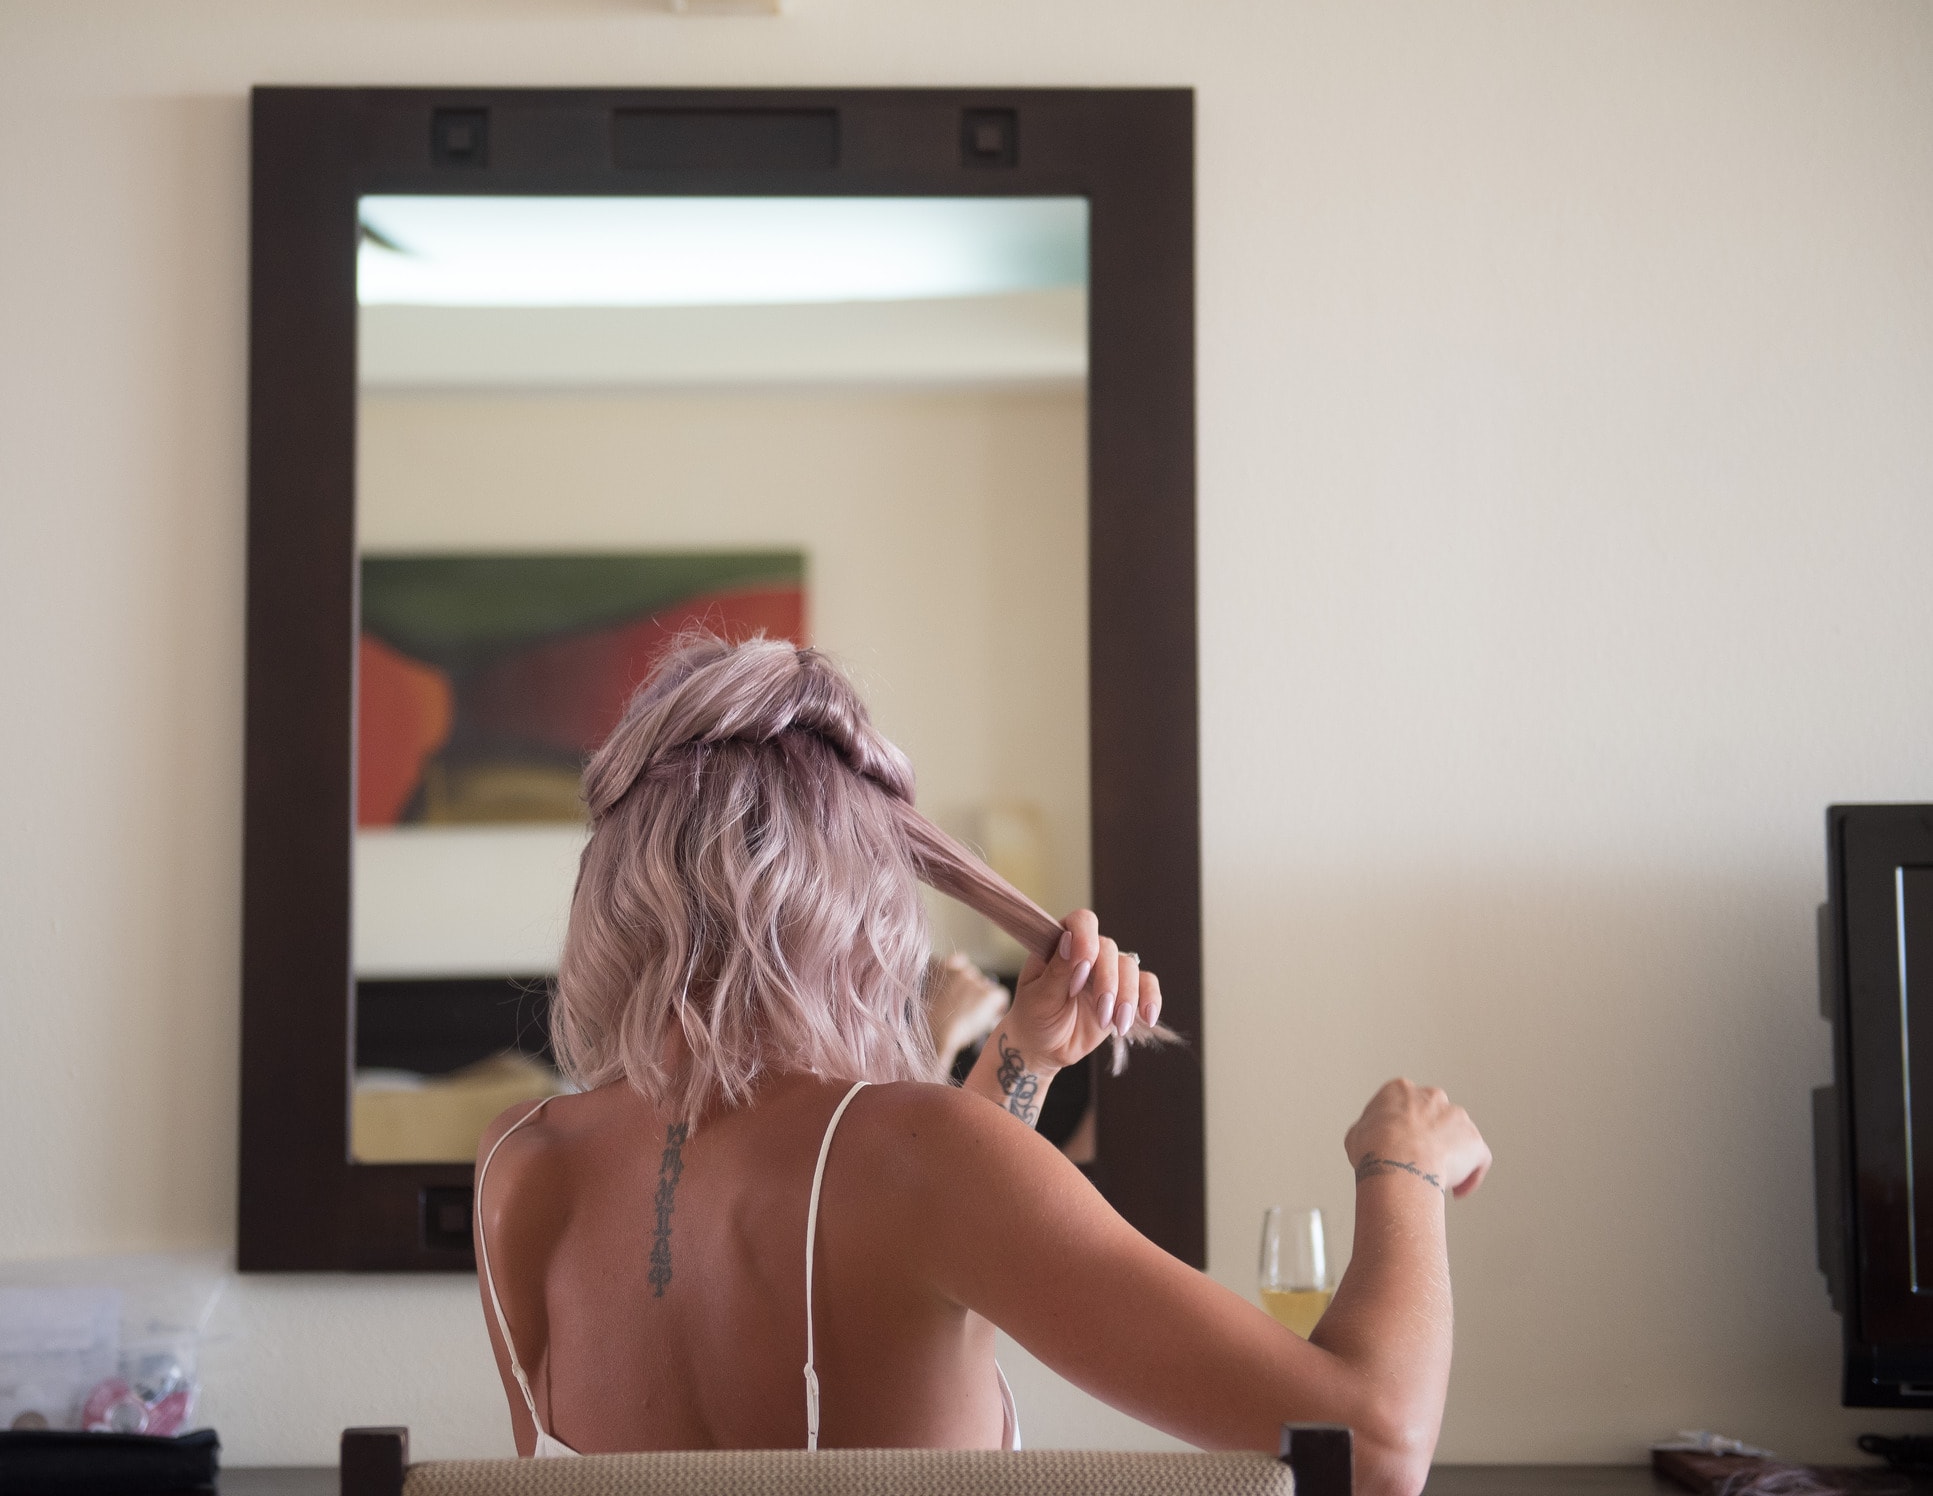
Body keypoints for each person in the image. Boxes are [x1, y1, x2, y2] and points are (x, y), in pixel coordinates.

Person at [474, 634, 1490, 1496]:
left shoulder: (519, 1164)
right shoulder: (916, 1154)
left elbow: (904, 1241)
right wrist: (1404, 1165)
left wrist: (1022, 1061)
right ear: (858, 905)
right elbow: (1372, 1444)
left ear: (614, 891)